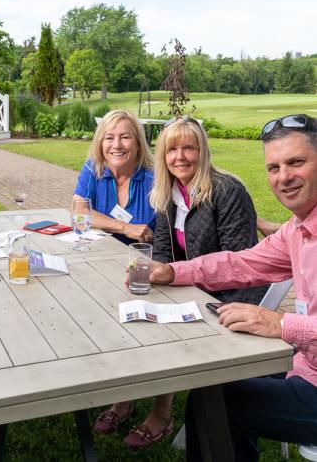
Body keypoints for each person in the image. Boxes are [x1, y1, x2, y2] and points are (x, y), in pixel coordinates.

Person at [149, 114, 317, 461]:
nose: (284, 177)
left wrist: (279, 324)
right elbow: (241, 263)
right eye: (274, 167)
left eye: (296, 162)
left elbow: (281, 321)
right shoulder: (297, 228)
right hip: (304, 367)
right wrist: (173, 272)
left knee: (214, 403)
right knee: (215, 389)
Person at [93, 116, 267, 449]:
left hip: (227, 298)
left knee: (166, 332)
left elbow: (238, 265)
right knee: (132, 311)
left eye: (190, 147)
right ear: (163, 156)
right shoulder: (168, 192)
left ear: (203, 151)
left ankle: (161, 414)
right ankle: (125, 397)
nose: (181, 157)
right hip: (188, 289)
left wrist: (192, 293)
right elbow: (160, 250)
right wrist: (153, 275)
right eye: (172, 149)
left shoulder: (227, 191)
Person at [73, 110, 156, 244]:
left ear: (139, 144)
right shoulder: (93, 169)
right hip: (102, 253)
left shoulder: (154, 178)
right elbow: (78, 213)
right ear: (101, 143)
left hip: (143, 259)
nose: (117, 145)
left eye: (125, 137)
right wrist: (125, 227)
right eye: (109, 138)